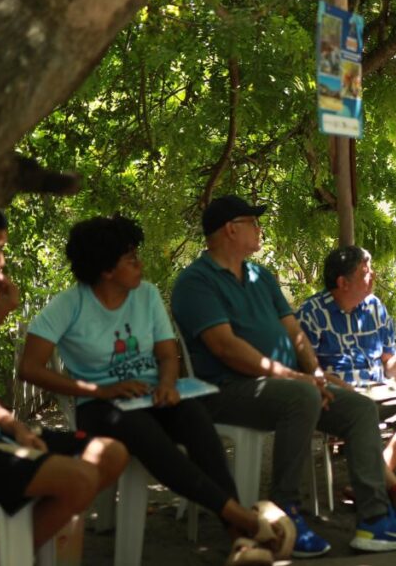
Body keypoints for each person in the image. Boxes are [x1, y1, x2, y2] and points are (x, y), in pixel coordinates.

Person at [18, 215, 292, 566]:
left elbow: (166, 353)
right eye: (131, 259)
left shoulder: (145, 295)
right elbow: (30, 368)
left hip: (153, 394)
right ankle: (245, 521)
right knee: (150, 440)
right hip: (100, 406)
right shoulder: (69, 305)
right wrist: (100, 390)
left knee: (197, 423)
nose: (140, 265)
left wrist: (166, 385)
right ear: (106, 271)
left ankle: (239, 538)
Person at [171, 195, 396, 556]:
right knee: (302, 396)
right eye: (253, 221)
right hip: (228, 390)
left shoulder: (259, 275)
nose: (260, 228)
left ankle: (375, 521)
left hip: (286, 385)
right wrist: (296, 380)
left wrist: (314, 372)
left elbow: (294, 331)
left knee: (358, 408)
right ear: (231, 229)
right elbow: (225, 348)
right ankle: (285, 512)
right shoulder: (195, 282)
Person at [0, 210, 127, 566]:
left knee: (109, 453)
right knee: (79, 479)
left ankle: (7, 537)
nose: (1, 260)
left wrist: (13, 424)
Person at [296, 245, 396, 514]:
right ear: (342, 282)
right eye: (365, 272)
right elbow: (307, 370)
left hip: (378, 388)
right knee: (359, 413)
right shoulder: (311, 313)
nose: (373, 276)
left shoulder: (375, 307)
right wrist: (340, 387)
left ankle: (376, 478)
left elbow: (388, 359)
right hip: (339, 393)